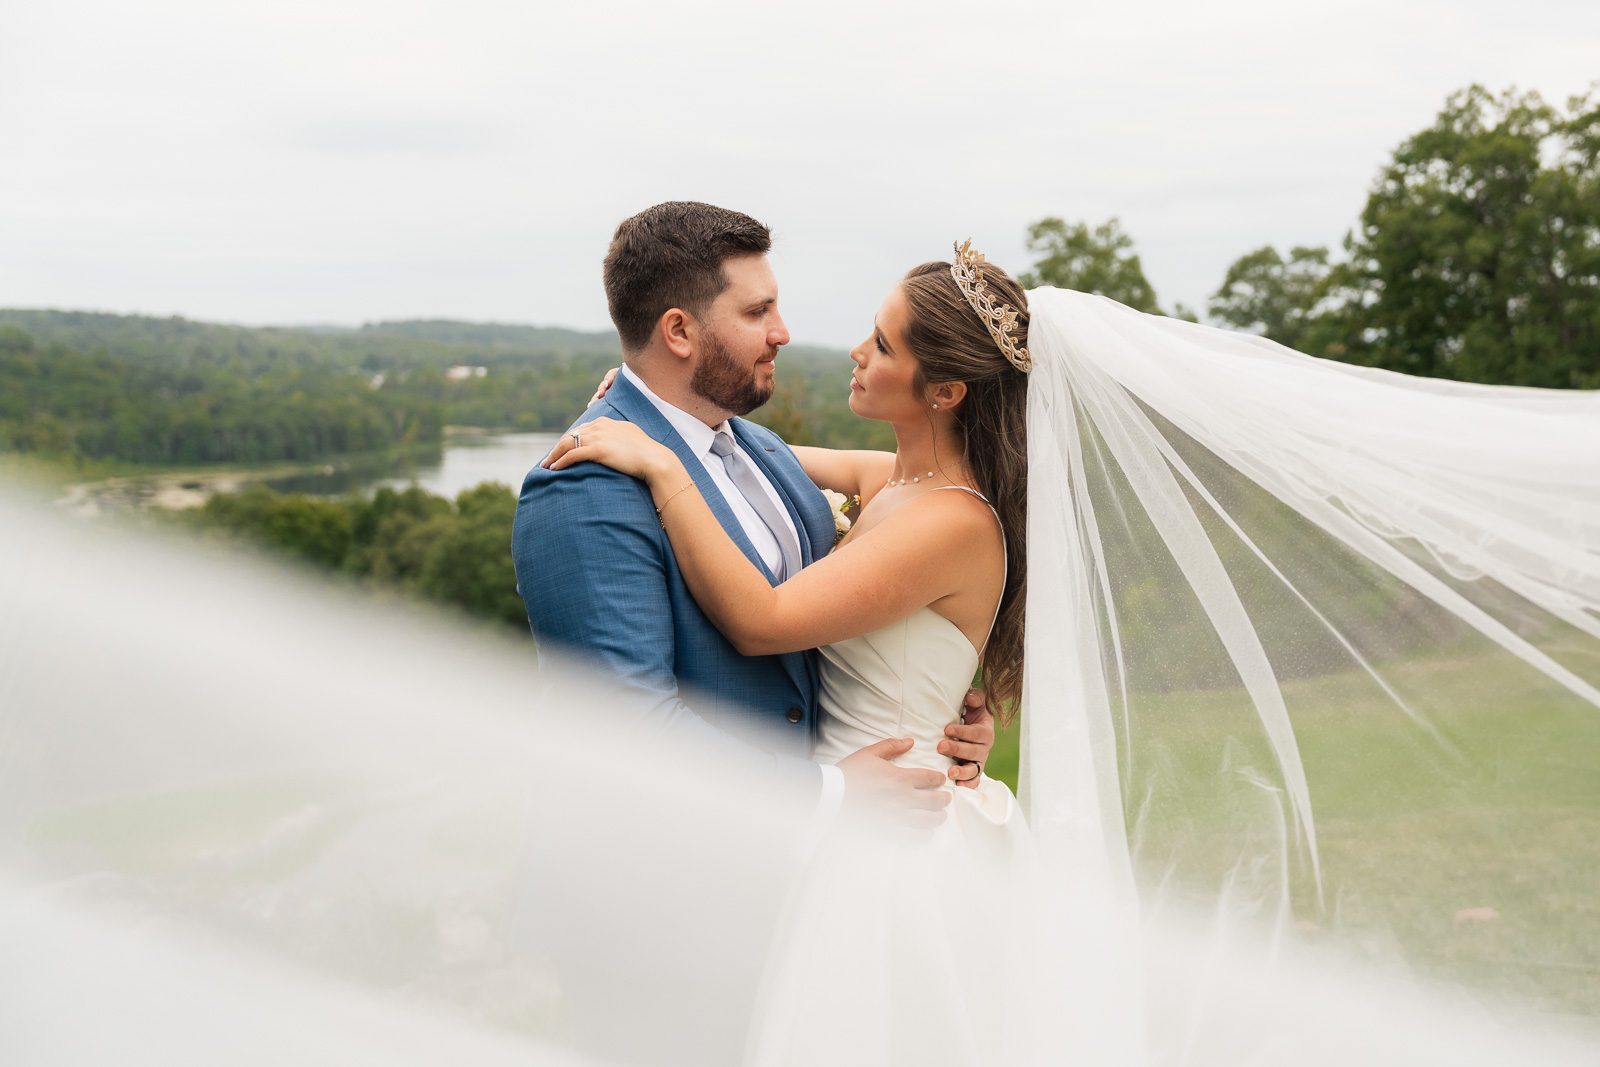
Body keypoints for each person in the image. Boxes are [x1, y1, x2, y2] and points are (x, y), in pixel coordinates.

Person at [509, 202, 999, 1065]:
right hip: (657, 922)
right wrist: (835, 798)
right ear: (679, 330)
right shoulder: (583, 490)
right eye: (756, 311)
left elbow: (869, 610)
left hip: (810, 895)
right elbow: (627, 731)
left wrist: (955, 703)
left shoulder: (762, 454)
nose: (784, 331)